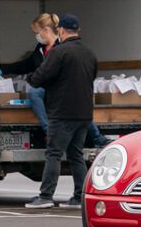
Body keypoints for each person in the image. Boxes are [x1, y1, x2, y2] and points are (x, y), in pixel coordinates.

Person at [1, 13, 109, 148]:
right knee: (35, 93)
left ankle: (97, 136)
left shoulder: (63, 47)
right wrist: (4, 70)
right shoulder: (40, 49)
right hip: (47, 86)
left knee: (77, 102)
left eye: (37, 32)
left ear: (46, 30)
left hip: (61, 87)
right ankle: (48, 130)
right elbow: (27, 64)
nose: (37, 36)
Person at [24, 14, 97, 209]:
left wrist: (30, 78)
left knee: (54, 154)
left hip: (62, 113)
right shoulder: (89, 53)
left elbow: (40, 76)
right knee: (76, 155)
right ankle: (79, 196)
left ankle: (46, 196)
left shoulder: (59, 52)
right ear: (77, 30)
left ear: (61, 31)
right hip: (84, 114)